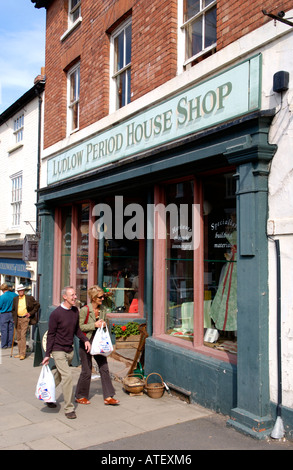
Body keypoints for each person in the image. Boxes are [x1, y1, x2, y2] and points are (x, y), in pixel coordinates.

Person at [42, 286, 91, 419]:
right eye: (72, 295)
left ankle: (48, 395)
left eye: (75, 294)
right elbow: (51, 335)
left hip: (70, 350)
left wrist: (85, 339)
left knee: (59, 374)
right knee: (67, 376)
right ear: (65, 297)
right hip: (58, 350)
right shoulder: (56, 314)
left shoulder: (75, 311)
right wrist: (47, 355)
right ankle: (69, 408)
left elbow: (77, 330)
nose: (75, 297)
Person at [75, 285, 119, 406]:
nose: (102, 299)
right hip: (87, 341)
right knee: (86, 370)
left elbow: (106, 324)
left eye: (103, 296)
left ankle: (109, 396)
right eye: (100, 297)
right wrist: (94, 325)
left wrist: (104, 324)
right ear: (94, 298)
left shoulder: (103, 309)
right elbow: (80, 327)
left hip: (99, 342)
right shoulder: (85, 310)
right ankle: (80, 396)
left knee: (104, 367)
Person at [11, 284, 40, 359]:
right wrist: (14, 318)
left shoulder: (29, 298)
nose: (21, 291)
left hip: (25, 318)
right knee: (19, 337)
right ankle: (20, 353)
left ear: (24, 291)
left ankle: (23, 354)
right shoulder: (15, 299)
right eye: (19, 290)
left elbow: (37, 305)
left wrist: (30, 313)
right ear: (18, 291)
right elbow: (13, 309)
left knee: (23, 335)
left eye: (22, 290)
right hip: (17, 319)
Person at [0, 283, 18, 349]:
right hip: (12, 313)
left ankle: (4, 345)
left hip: (4, 314)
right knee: (11, 329)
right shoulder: (14, 295)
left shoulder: (2, 297)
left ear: (2, 290)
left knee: (4, 330)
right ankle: (10, 344)